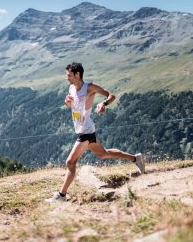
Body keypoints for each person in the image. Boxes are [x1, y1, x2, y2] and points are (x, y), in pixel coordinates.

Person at [46, 62, 145, 203]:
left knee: (70, 162)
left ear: (77, 75)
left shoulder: (89, 88)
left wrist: (103, 104)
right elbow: (71, 104)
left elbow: (111, 95)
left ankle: (61, 195)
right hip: (82, 129)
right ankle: (136, 158)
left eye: (69, 75)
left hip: (86, 131)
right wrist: (67, 102)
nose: (67, 78)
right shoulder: (71, 88)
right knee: (103, 153)